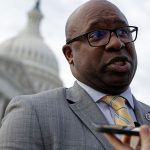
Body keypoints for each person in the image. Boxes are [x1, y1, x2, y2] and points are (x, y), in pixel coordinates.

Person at [0, 0, 150, 149]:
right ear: (70, 54)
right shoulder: (31, 114)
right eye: (97, 34)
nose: (117, 43)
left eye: (123, 32)